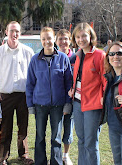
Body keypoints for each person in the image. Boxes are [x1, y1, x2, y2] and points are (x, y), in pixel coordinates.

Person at [26, 27, 73, 165]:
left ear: (54, 39)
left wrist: (67, 103)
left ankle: (56, 162)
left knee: (56, 137)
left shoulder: (63, 58)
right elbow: (30, 84)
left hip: (57, 106)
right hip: (40, 105)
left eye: (49, 38)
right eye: (44, 39)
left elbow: (68, 83)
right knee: (40, 136)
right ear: (41, 41)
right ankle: (40, 162)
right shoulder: (35, 60)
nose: (47, 41)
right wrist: (30, 105)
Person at [0, 21, 34, 165]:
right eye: (12, 31)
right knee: (5, 128)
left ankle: (24, 155)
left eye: (17, 31)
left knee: (23, 127)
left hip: (23, 96)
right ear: (6, 32)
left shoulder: (28, 52)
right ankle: (3, 157)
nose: (14, 34)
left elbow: (33, 75)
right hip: (5, 96)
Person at [68, 22, 106, 165]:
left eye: (84, 36)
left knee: (90, 142)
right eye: (77, 37)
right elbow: (78, 77)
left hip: (93, 105)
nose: (81, 39)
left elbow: (105, 80)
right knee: (81, 140)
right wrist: (72, 88)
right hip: (77, 103)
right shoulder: (78, 55)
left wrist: (103, 96)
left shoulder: (100, 55)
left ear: (90, 36)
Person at [55, 29, 74, 165]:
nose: (63, 42)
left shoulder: (76, 58)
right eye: (60, 39)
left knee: (68, 128)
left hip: (72, 100)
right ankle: (55, 155)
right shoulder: (52, 57)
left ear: (70, 41)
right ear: (56, 41)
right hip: (55, 100)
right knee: (55, 130)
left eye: (66, 38)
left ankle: (66, 155)